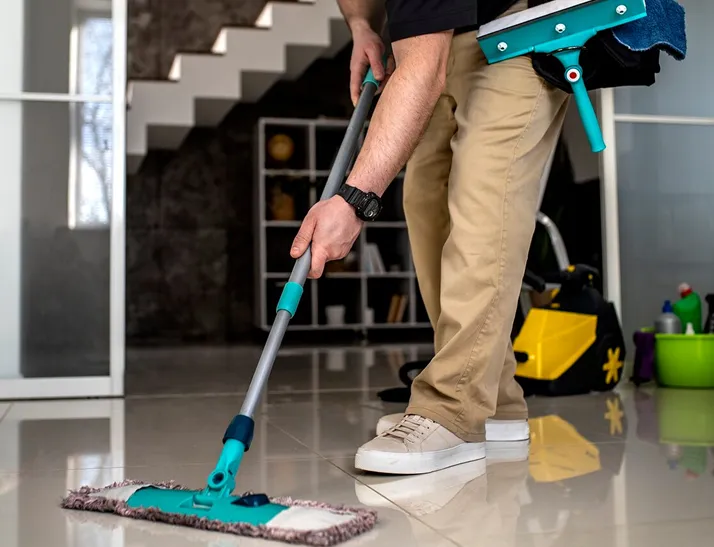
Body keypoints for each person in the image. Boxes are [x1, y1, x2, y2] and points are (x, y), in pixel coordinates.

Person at [290, 0, 569, 475]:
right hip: (446, 33)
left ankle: (451, 406)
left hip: (520, 32)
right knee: (424, 200)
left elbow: (423, 69)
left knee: (483, 201)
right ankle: (496, 403)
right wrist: (362, 26)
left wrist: (353, 203)